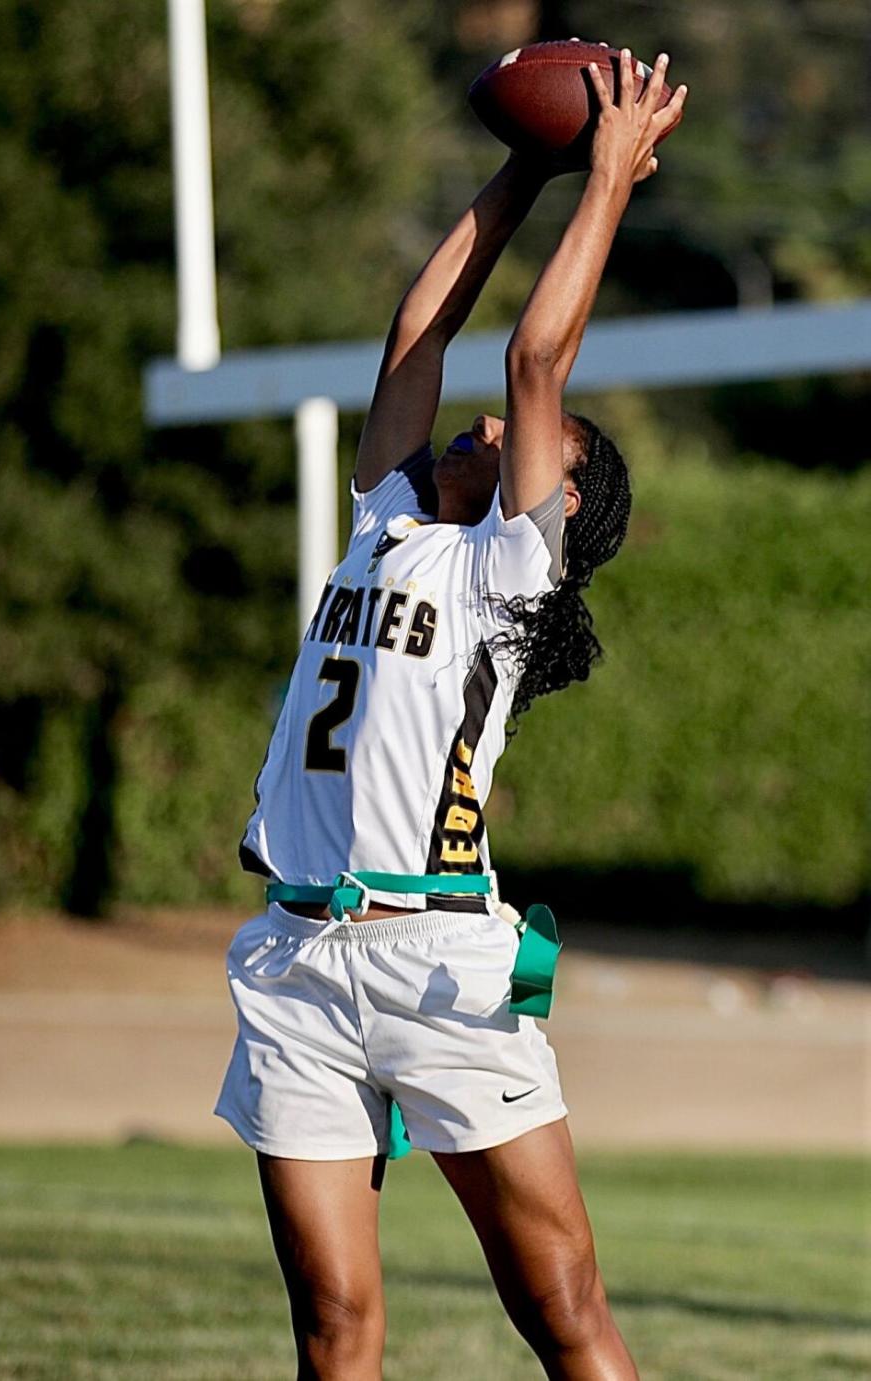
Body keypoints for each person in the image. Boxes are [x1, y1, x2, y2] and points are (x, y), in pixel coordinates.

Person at [217, 50, 687, 1381]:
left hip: (444, 969)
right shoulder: (391, 522)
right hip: (296, 960)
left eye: (539, 442)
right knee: (335, 1332)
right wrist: (523, 166)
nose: (487, 419)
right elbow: (418, 335)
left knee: (565, 1315)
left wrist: (601, 180)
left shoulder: (505, 572)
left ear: (559, 506)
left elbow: (540, 353)